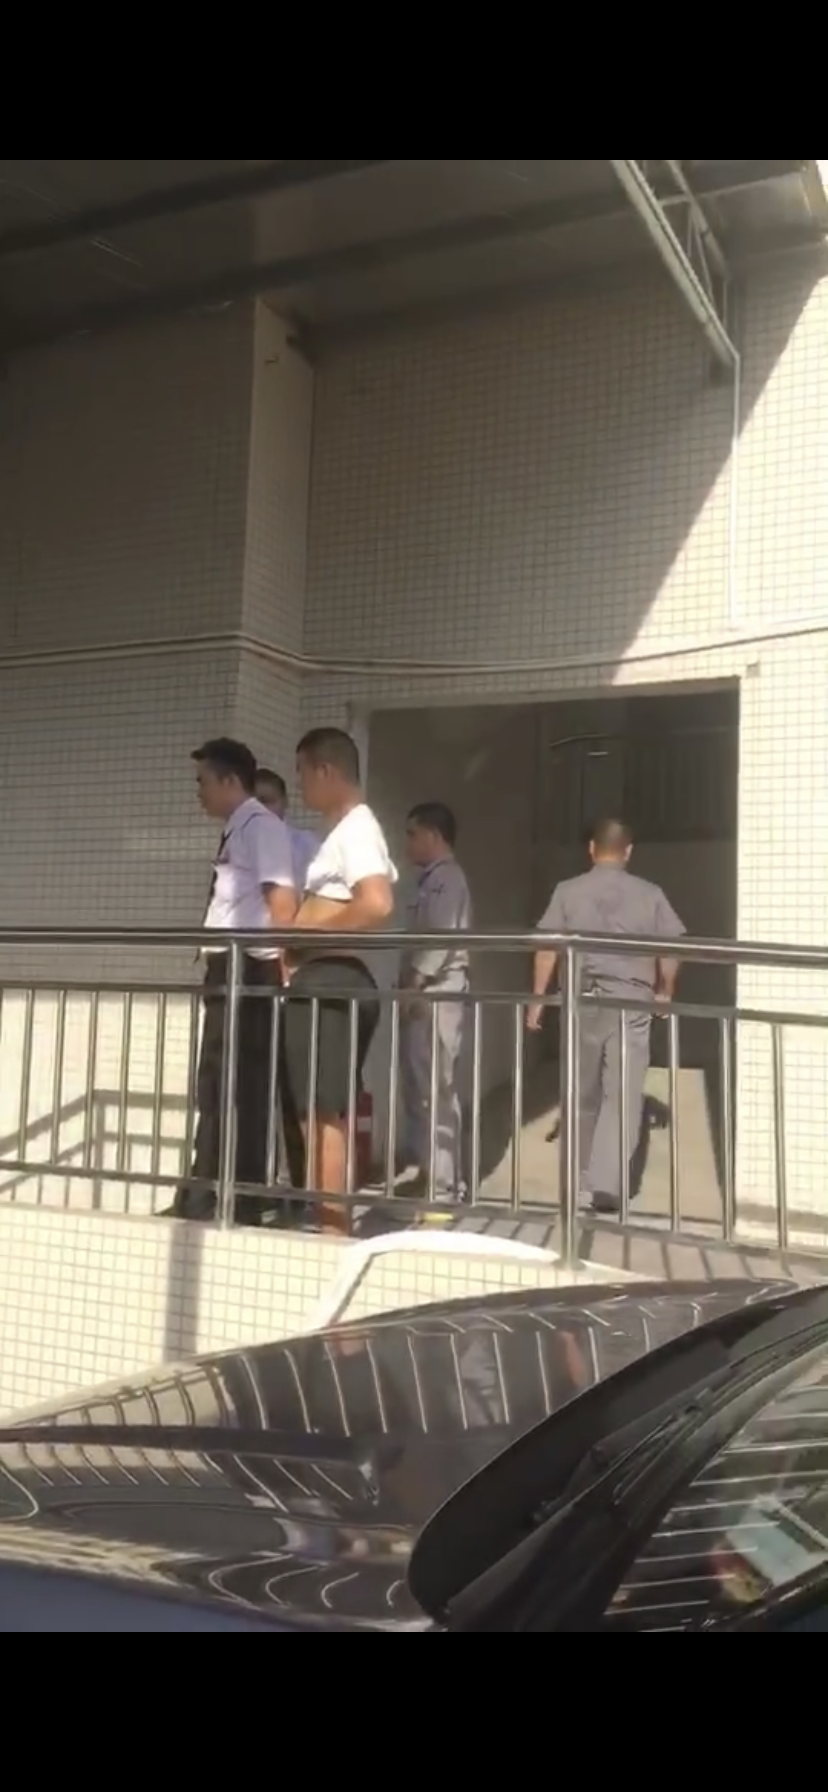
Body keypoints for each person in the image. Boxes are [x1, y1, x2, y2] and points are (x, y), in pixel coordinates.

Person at [527, 818, 685, 1216]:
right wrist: (665, 990)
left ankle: (578, 1179)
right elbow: (671, 946)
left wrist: (538, 999)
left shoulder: (567, 891)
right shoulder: (650, 894)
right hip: (631, 1002)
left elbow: (546, 945)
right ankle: (606, 1185)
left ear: (592, 849)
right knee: (623, 1092)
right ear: (628, 851)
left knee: (581, 1089)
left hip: (580, 998)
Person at [169, 738, 298, 1225]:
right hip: (230, 967)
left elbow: (281, 904)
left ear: (229, 781)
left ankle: (229, 1198)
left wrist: (283, 968)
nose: (198, 791)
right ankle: (213, 1191)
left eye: (203, 781)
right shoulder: (239, 828)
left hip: (249, 970)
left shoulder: (260, 827)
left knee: (235, 1085)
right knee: (219, 1084)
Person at [282, 728, 397, 1234]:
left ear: (325, 770)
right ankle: (327, 1221)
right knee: (317, 1111)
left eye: (303, 772)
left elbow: (376, 904)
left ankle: (333, 1233)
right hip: (322, 979)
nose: (301, 784)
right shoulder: (339, 832)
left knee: (324, 1112)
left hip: (332, 979)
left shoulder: (357, 827)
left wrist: (307, 936)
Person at [398, 803, 472, 1200]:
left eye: (413, 834)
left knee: (436, 1088)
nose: (407, 843)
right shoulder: (427, 881)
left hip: (437, 991)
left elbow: (440, 939)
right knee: (418, 1087)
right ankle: (425, 1169)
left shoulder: (447, 879)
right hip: (421, 992)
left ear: (434, 835)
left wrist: (414, 981)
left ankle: (445, 1183)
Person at [255, 768, 319, 895]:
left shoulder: (307, 846)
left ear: (285, 802)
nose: (260, 810)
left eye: (267, 801)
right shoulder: (234, 846)